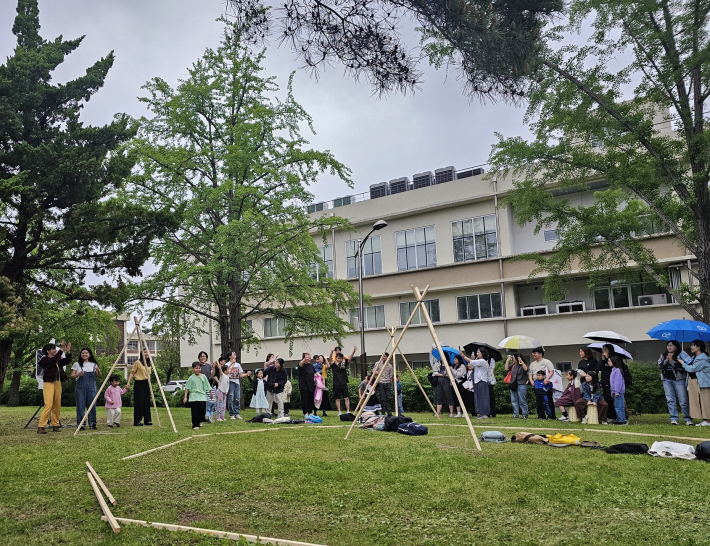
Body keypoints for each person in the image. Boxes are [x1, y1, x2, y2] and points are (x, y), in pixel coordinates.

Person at [37, 341, 72, 434]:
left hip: (57, 382)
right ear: (48, 351)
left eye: (55, 349)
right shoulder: (44, 360)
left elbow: (67, 361)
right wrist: (61, 349)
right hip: (48, 383)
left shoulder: (57, 359)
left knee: (57, 404)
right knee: (48, 404)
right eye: (53, 349)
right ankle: (41, 426)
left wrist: (68, 352)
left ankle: (55, 425)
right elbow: (53, 361)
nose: (55, 350)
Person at [657, 340, 692, 425]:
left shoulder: (682, 355)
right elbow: (659, 365)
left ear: (676, 347)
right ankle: (674, 418)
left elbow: (685, 367)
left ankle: (688, 418)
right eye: (668, 345)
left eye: (671, 345)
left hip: (679, 380)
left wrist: (672, 361)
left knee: (683, 401)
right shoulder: (663, 355)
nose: (669, 347)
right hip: (667, 380)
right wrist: (666, 360)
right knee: (670, 400)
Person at [681, 339, 710, 427]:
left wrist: (683, 363)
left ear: (698, 347)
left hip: (703, 383)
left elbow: (692, 368)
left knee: (705, 401)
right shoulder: (695, 358)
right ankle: (705, 419)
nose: (691, 347)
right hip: (696, 382)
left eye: (693, 345)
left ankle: (708, 420)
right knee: (699, 401)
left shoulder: (702, 359)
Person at [71, 348, 101, 430]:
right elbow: (72, 376)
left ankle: (92, 423)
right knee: (80, 406)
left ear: (89, 355)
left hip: (91, 388)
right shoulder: (76, 364)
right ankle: (81, 424)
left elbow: (99, 375)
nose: (84, 354)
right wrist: (78, 374)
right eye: (82, 353)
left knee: (92, 405)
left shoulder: (94, 364)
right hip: (80, 388)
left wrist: (98, 371)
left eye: (86, 353)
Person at [461, 349, 491, 419]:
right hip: (477, 381)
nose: (477, 353)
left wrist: (463, 355)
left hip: (482, 381)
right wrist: (474, 359)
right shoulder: (479, 361)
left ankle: (485, 413)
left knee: (483, 397)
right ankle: (481, 413)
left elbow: (471, 362)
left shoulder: (482, 361)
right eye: (477, 352)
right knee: (478, 398)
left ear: (483, 353)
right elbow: (473, 363)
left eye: (478, 352)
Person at [127, 348, 153, 427]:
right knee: (139, 401)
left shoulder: (149, 363)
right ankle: (137, 420)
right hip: (139, 383)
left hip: (146, 383)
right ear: (142, 354)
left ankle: (147, 420)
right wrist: (128, 382)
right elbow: (132, 373)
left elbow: (149, 374)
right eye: (144, 352)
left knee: (146, 401)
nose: (146, 353)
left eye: (147, 352)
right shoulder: (137, 362)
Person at [529, 347, 555, 419]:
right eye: (533, 353)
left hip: (545, 383)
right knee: (538, 400)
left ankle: (551, 415)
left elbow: (552, 371)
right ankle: (541, 415)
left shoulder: (546, 362)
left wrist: (547, 378)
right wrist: (531, 381)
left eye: (535, 353)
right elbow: (530, 373)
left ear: (540, 354)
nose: (533, 354)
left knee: (548, 400)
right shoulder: (532, 364)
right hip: (536, 384)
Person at [184, 361, 210, 430]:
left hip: (202, 396)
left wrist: (210, 393)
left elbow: (207, 385)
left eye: (199, 368)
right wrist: (185, 397)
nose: (198, 370)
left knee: (202, 410)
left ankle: (200, 420)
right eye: (196, 368)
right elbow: (187, 387)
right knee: (195, 411)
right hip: (193, 396)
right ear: (193, 369)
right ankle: (195, 425)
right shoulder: (191, 378)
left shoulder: (203, 376)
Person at [226, 351, 251, 420]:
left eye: (235, 354)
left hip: (237, 383)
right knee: (231, 398)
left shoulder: (238, 365)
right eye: (233, 354)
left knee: (237, 398)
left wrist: (246, 374)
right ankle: (232, 414)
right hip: (230, 382)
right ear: (229, 356)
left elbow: (240, 375)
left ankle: (237, 413)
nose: (235, 355)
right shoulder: (227, 364)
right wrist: (232, 363)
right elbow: (227, 372)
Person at [330, 346, 354, 415]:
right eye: (338, 358)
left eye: (340, 358)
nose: (339, 359)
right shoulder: (334, 364)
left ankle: (348, 411)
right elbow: (330, 360)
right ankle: (339, 411)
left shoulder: (344, 363)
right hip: (336, 383)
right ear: (336, 358)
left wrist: (354, 351)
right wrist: (331, 351)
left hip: (343, 382)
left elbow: (350, 358)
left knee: (346, 398)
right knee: (337, 398)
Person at [505, 353, 529, 419]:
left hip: (521, 384)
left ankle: (524, 414)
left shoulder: (522, 364)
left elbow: (526, 369)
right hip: (513, 384)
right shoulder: (514, 365)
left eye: (513, 357)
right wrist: (507, 360)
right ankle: (515, 414)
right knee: (514, 400)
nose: (512, 358)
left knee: (522, 400)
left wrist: (521, 361)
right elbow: (506, 369)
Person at [432, 353, 456, 417]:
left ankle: (451, 413)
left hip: (447, 382)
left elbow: (452, 374)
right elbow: (435, 373)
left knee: (449, 395)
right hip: (439, 382)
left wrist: (447, 373)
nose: (441, 357)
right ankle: (438, 412)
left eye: (442, 356)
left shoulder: (450, 365)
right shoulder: (438, 364)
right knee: (439, 396)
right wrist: (442, 375)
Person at [599, 344, 617, 421]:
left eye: (605, 350)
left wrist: (608, 359)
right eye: (603, 350)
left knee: (613, 400)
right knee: (607, 399)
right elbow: (598, 368)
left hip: (612, 382)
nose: (604, 351)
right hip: (605, 382)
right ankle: (610, 416)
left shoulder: (613, 358)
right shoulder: (603, 359)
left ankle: (615, 416)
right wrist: (603, 359)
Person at [372, 351, 394, 416]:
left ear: (387, 357)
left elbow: (390, 376)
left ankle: (389, 412)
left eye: (384, 356)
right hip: (381, 382)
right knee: (382, 398)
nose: (383, 357)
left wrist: (392, 384)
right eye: (382, 356)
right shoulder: (378, 363)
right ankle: (383, 411)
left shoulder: (390, 366)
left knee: (388, 398)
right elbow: (373, 371)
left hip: (387, 382)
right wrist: (376, 372)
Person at [609, 356, 628, 425]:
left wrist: (617, 391)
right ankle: (620, 419)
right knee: (617, 406)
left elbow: (618, 382)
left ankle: (622, 420)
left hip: (618, 392)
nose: (609, 363)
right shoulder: (613, 370)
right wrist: (612, 391)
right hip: (615, 391)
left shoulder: (617, 371)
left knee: (619, 406)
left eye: (610, 361)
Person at [213, 356, 230, 421]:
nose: (229, 370)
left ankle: (222, 416)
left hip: (224, 392)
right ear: (225, 371)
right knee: (219, 404)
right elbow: (220, 369)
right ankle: (218, 417)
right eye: (228, 369)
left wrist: (232, 362)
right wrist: (217, 364)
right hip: (220, 391)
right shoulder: (222, 375)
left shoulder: (227, 376)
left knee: (224, 405)